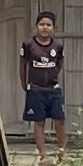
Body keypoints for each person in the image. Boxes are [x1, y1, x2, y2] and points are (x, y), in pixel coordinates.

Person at [18, 12, 68, 155]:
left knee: (60, 120)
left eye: (48, 25)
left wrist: (53, 74)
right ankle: (42, 155)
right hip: (35, 89)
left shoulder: (58, 45)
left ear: (53, 28)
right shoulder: (28, 45)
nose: (45, 27)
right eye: (42, 24)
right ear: (36, 26)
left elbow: (59, 63)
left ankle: (61, 153)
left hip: (53, 89)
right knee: (39, 121)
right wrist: (24, 84)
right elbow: (22, 66)